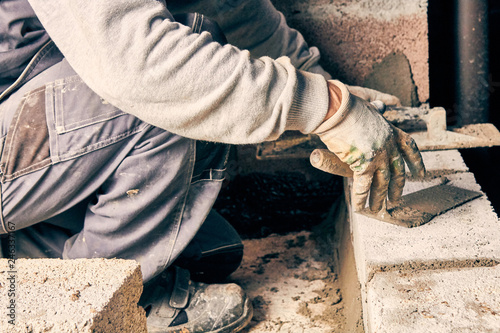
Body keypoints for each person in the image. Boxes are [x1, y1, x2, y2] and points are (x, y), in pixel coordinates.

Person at [0, 0, 425, 332]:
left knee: (207, 250)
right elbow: (144, 70)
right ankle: (102, 304)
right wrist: (324, 108)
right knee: (166, 93)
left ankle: (22, 266)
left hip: (25, 125)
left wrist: (334, 94)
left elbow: (233, 10)